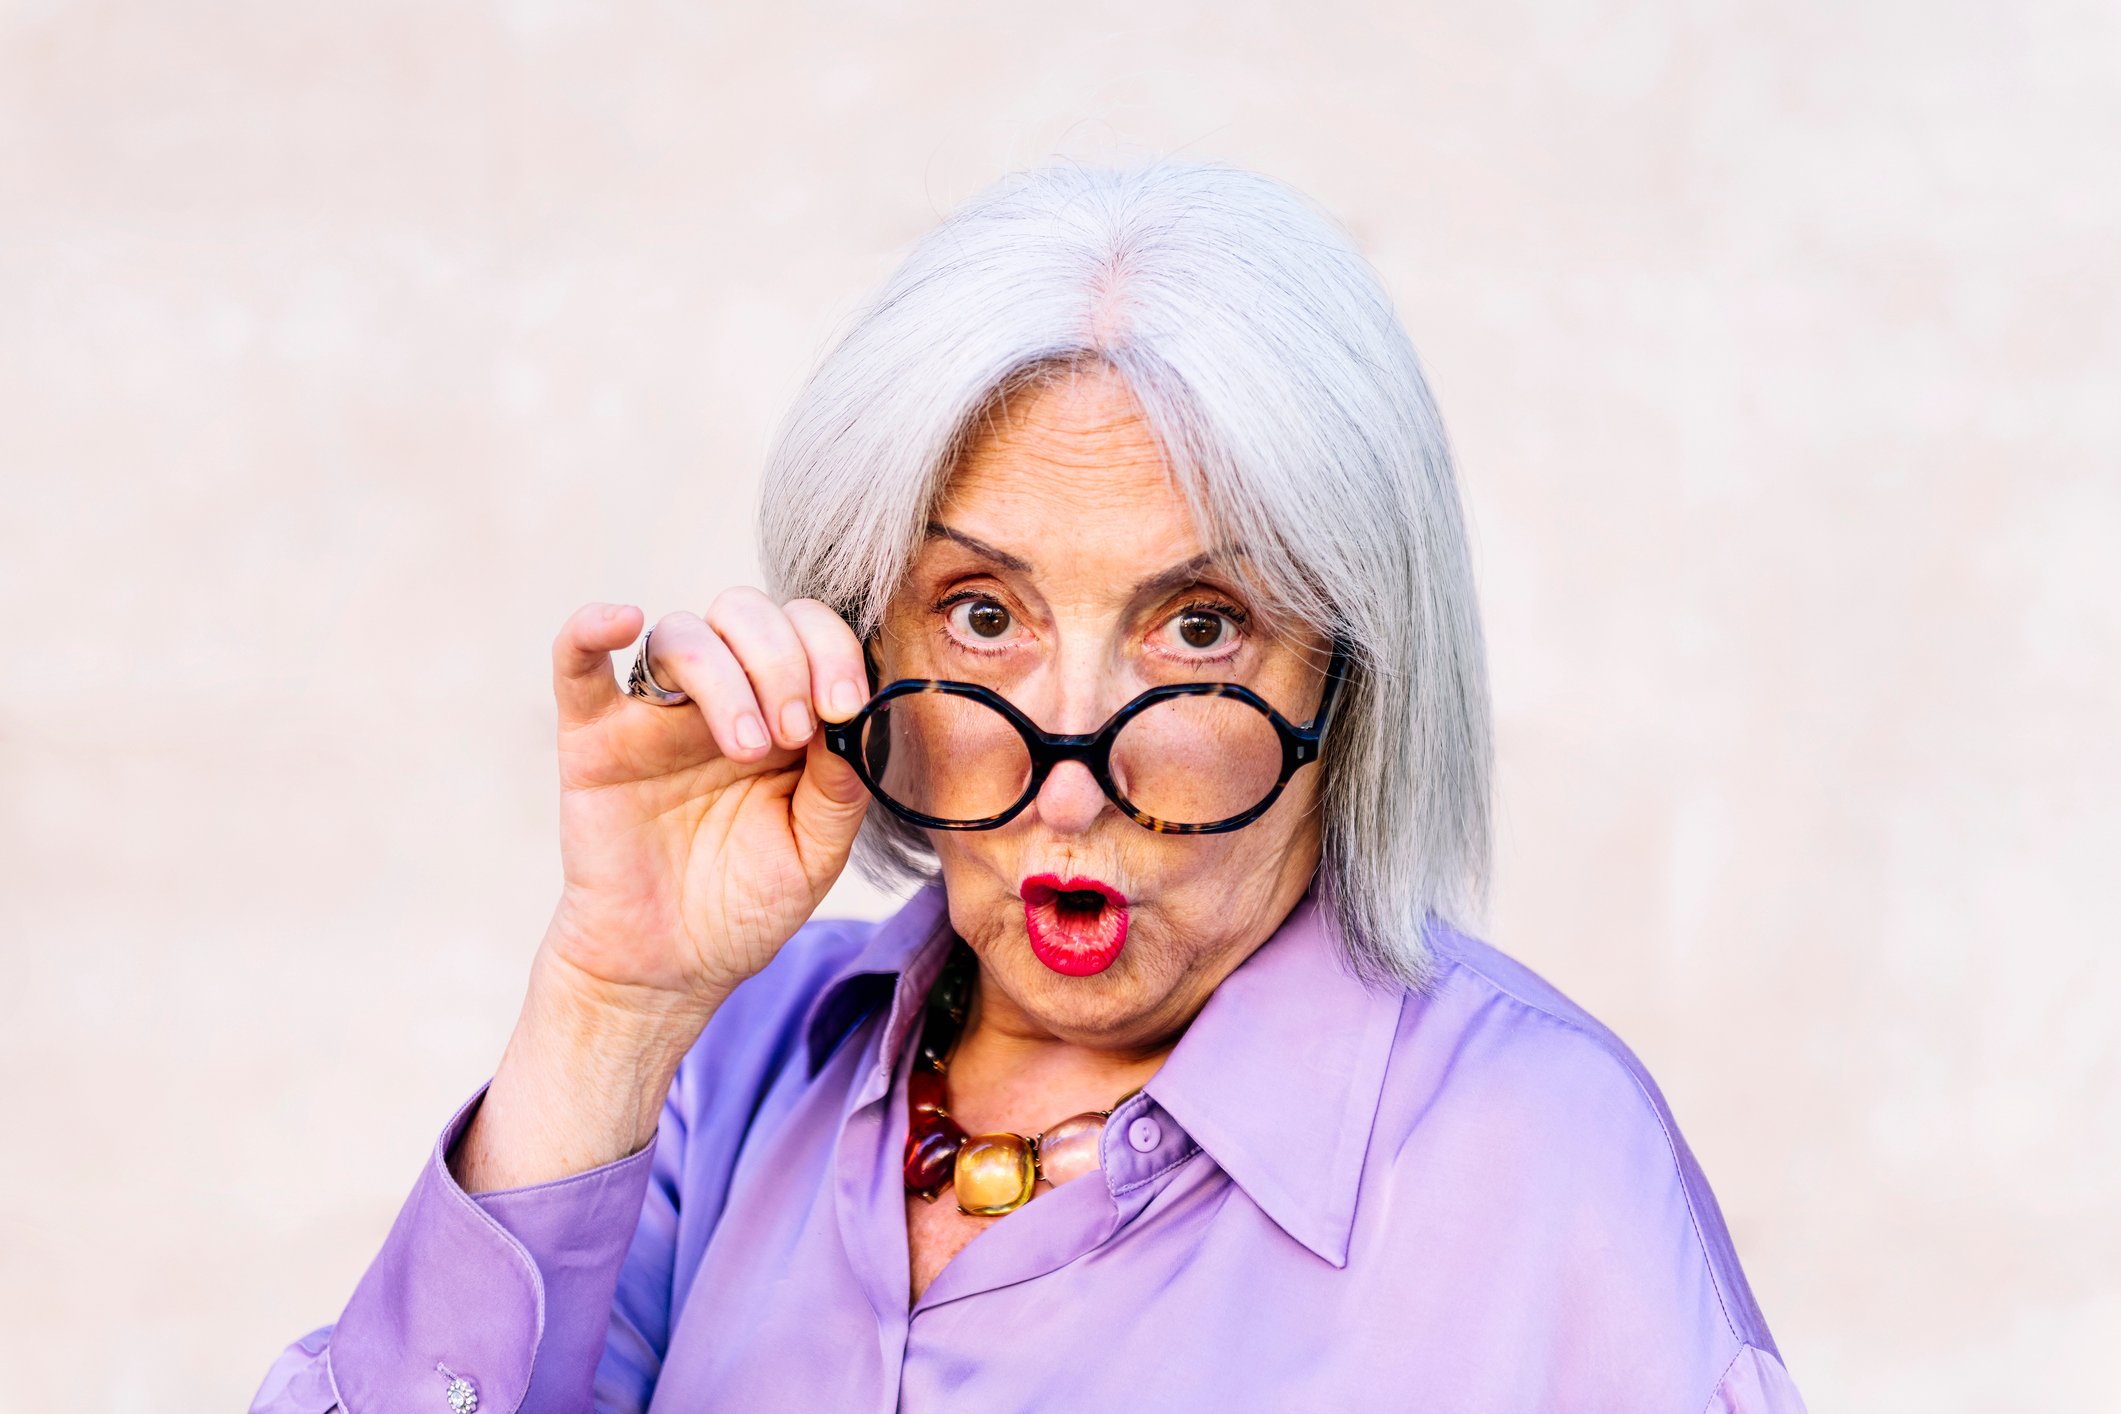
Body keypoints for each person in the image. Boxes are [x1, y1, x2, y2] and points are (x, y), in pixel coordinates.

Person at [250, 159, 1807, 1413]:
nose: (1073, 778)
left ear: (1351, 679)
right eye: (982, 617)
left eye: (1198, 627)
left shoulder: (1538, 1166)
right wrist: (606, 1010)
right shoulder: (731, 1072)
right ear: (860, 640)